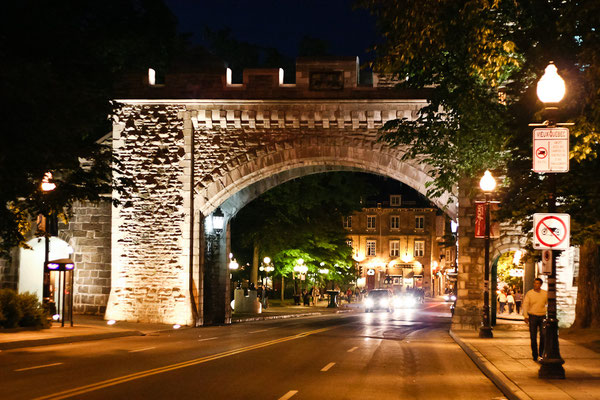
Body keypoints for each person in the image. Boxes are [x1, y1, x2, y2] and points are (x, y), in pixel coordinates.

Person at [523, 278, 548, 362]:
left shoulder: (545, 293)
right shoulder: (529, 293)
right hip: (533, 316)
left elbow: (548, 304)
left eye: (538, 283)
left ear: (541, 284)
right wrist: (525, 316)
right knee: (533, 337)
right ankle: (534, 354)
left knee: (543, 336)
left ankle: (541, 354)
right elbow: (526, 304)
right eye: (535, 283)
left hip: (542, 316)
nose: (536, 285)